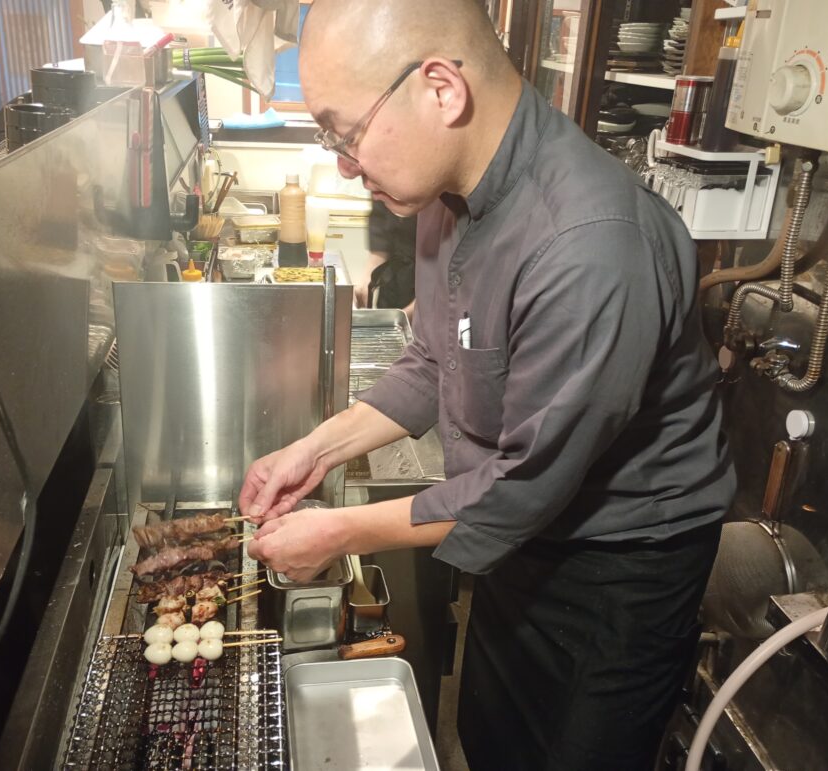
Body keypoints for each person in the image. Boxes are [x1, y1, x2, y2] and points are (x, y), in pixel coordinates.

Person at [239, 0, 736, 768]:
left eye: (346, 133)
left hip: (620, 568)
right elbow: (434, 358)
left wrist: (337, 532)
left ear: (440, 88)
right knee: (492, 737)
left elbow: (520, 489)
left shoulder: (589, 246)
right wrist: (316, 450)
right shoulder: (443, 195)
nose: (344, 164)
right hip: (520, 538)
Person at [355, 199, 417, 319]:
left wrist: (422, 307)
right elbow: (380, 219)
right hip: (394, 278)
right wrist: (368, 277)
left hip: (435, 290)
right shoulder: (382, 193)